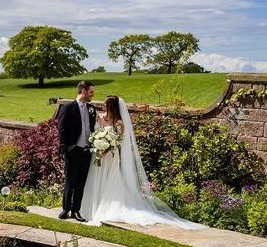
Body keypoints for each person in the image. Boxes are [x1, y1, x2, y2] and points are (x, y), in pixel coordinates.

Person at [79, 95, 202, 229]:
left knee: (109, 179)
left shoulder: (119, 123)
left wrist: (105, 149)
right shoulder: (102, 117)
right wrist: (99, 139)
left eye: (106, 104)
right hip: (99, 156)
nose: (103, 106)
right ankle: (91, 207)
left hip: (110, 157)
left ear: (112, 107)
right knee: (97, 179)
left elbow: (117, 142)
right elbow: (97, 133)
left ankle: (105, 208)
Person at [57, 81, 97, 221]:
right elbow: (61, 129)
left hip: (87, 151)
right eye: (91, 92)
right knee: (70, 181)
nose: (93, 94)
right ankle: (65, 209)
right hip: (73, 150)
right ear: (84, 91)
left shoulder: (91, 109)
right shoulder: (68, 107)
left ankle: (76, 211)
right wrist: (65, 148)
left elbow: (93, 129)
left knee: (81, 183)